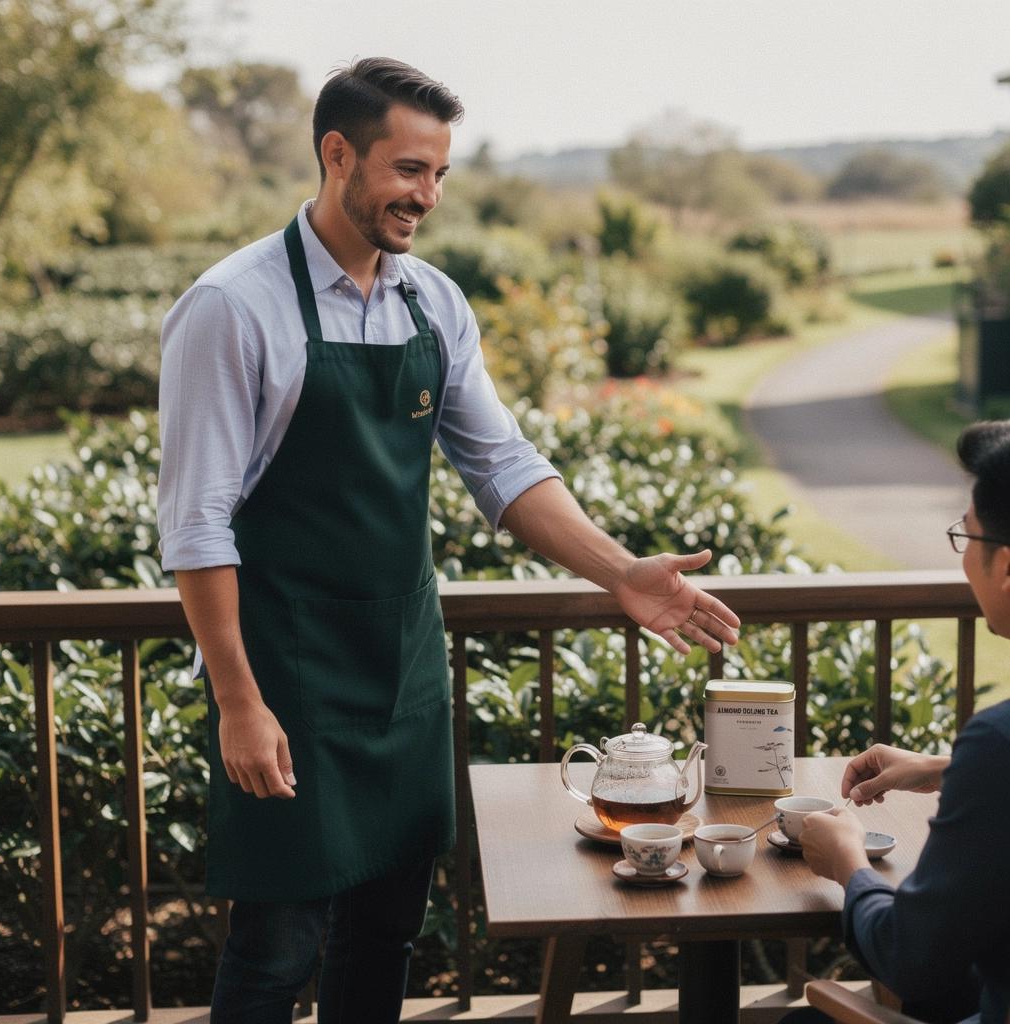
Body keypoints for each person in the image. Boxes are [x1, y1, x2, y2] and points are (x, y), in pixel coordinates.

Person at [156, 57, 741, 1024]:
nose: (425, 196)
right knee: (275, 949)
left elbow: (502, 466)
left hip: (404, 672)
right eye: (407, 169)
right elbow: (195, 523)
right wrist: (238, 702)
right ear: (336, 153)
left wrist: (621, 574)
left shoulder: (433, 301)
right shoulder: (231, 307)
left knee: (384, 933)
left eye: (439, 175)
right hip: (287, 676)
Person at [794, 420, 1010, 1024]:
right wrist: (947, 768)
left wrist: (848, 863)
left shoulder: (998, 744)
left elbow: (909, 955)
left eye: (966, 537)